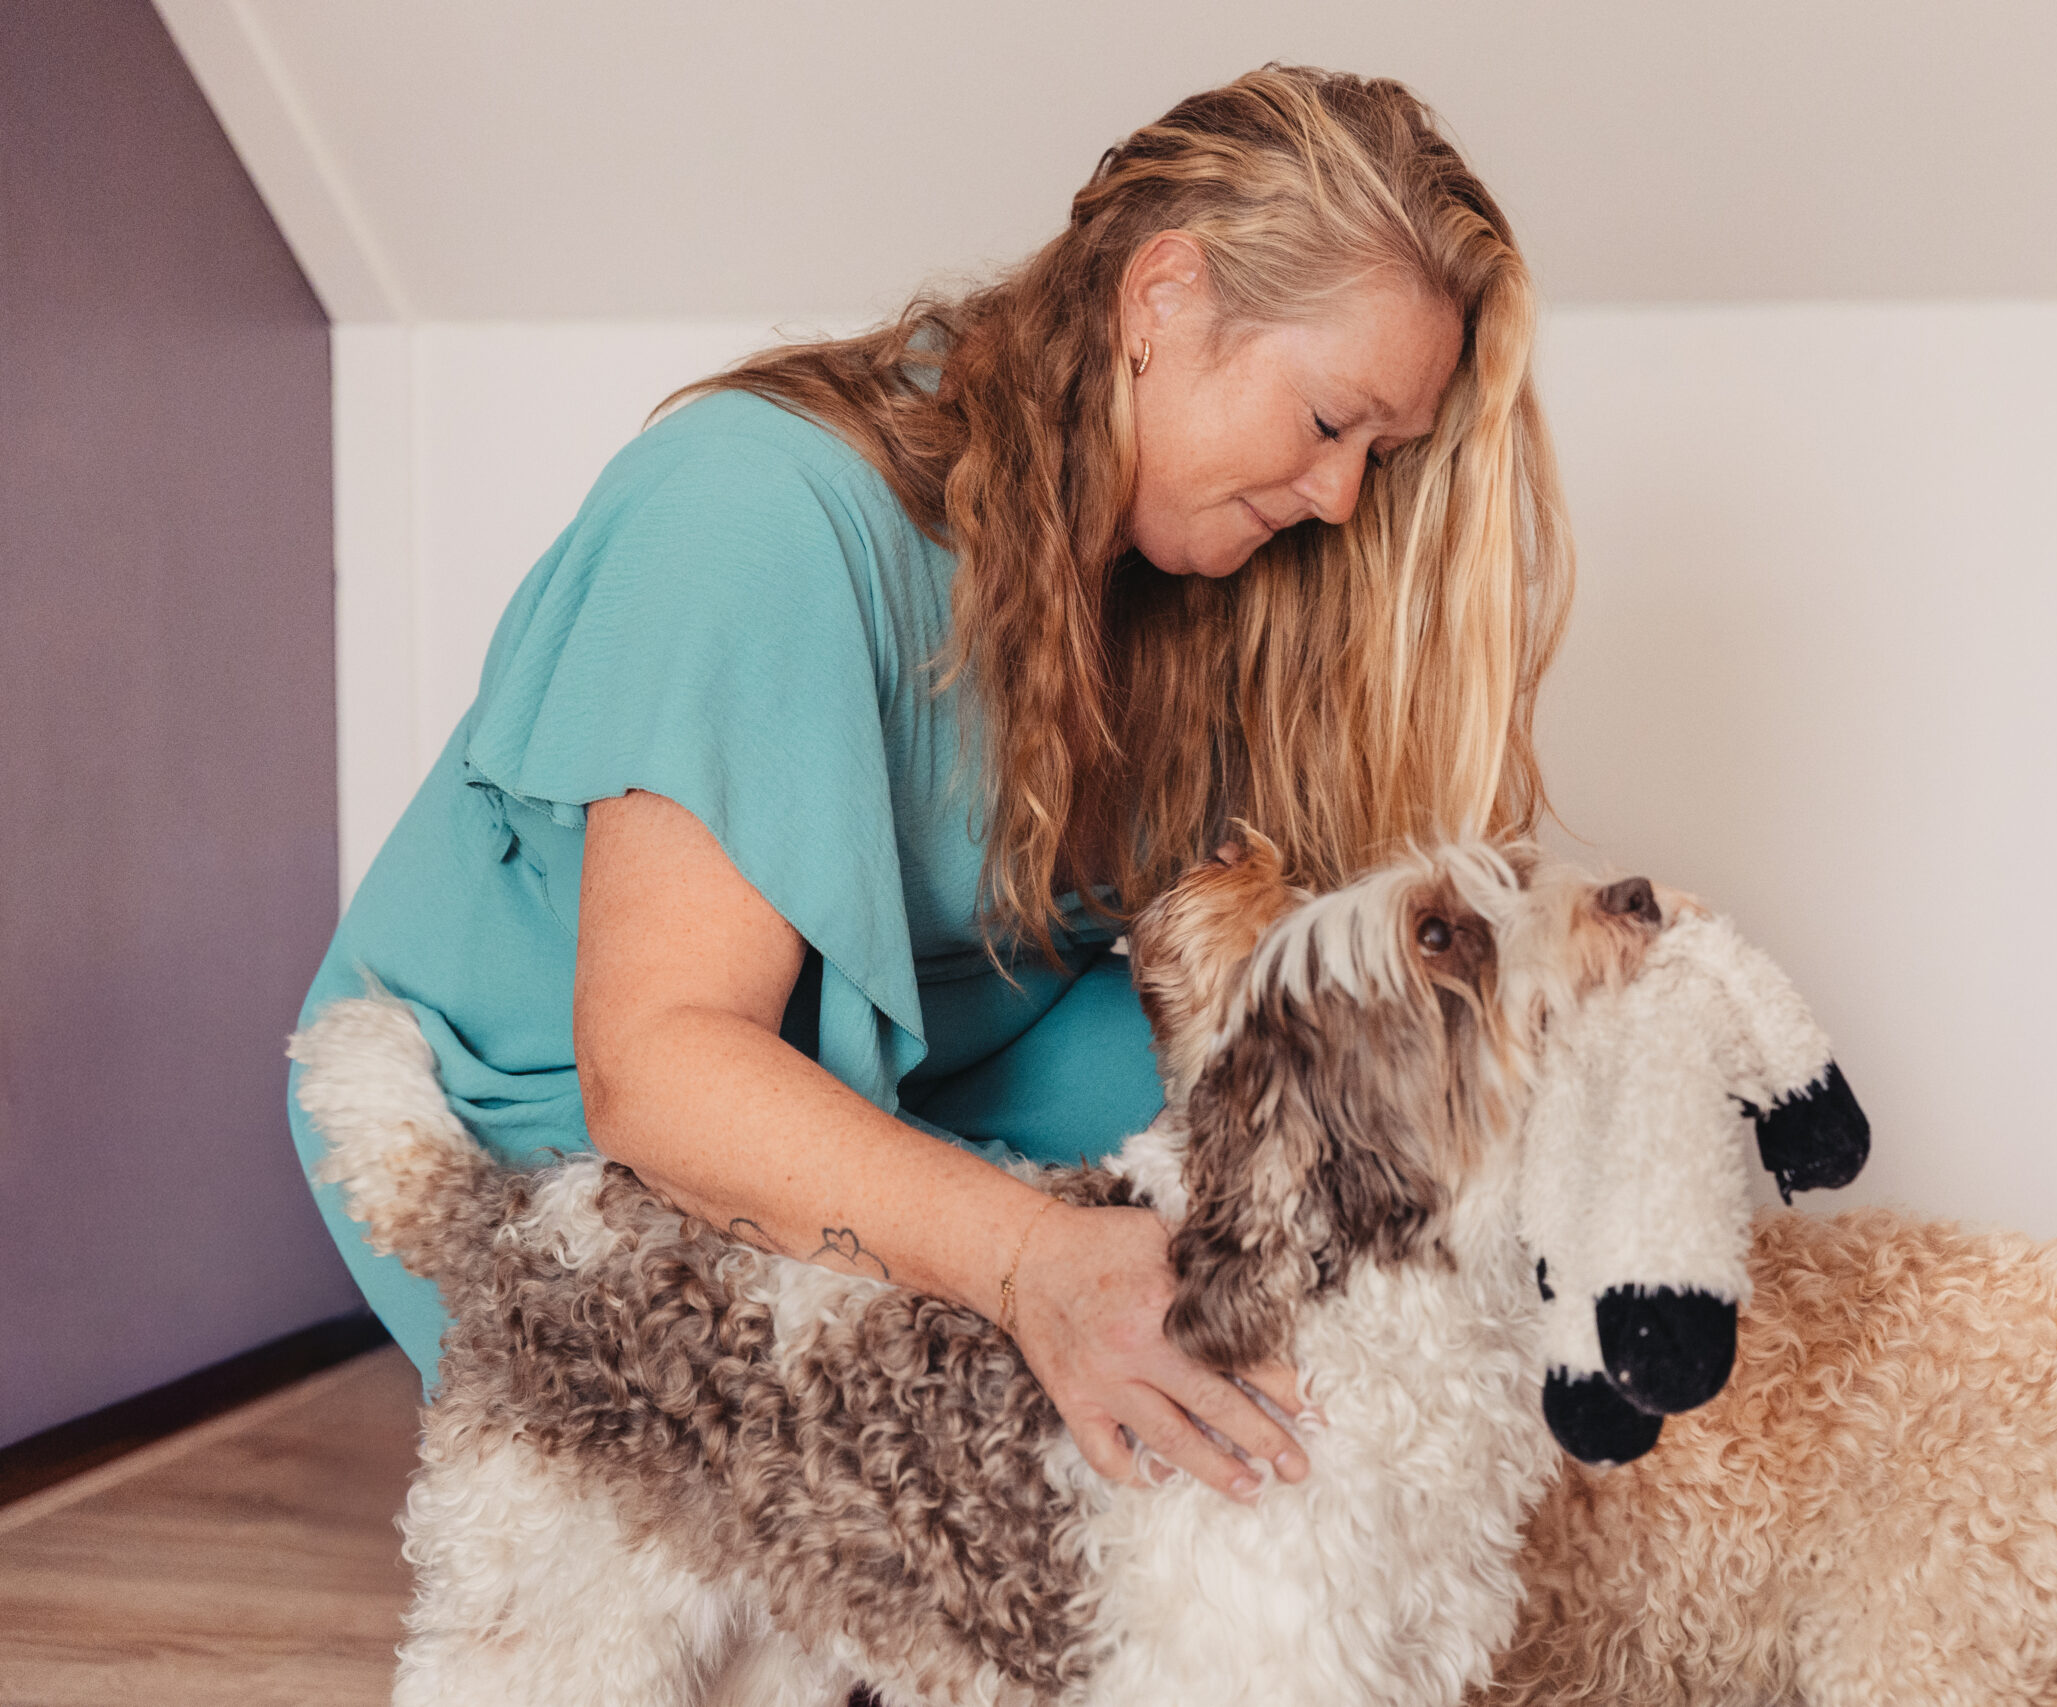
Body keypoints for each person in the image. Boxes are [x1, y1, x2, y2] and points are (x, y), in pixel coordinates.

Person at [288, 65, 1571, 1505]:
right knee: (876, 1571)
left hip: (930, 1047)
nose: (1343, 498)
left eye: (1379, 456)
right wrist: (1029, 1264)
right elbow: (655, 1066)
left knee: (1304, 1218)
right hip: (550, 1110)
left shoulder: (1203, 579)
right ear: (1164, 300)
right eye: (1330, 423)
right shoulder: (756, 515)